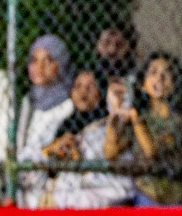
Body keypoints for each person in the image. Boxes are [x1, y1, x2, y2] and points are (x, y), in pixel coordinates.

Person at [104, 53, 182, 206]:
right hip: (143, 193)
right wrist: (115, 117)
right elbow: (110, 152)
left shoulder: (181, 118)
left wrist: (135, 118)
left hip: (170, 198)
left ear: (175, 84)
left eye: (167, 74)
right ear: (143, 84)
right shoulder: (144, 116)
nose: (159, 78)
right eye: (153, 72)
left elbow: (151, 151)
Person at [50, 73, 137, 209]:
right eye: (78, 86)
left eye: (90, 86)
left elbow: (110, 151)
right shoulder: (67, 125)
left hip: (106, 193)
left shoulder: (113, 123)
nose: (83, 92)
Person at [13, 35, 74, 207]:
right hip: (20, 180)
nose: (39, 67)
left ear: (61, 64)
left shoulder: (67, 105)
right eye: (34, 60)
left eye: (48, 61)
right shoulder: (28, 101)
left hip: (47, 188)